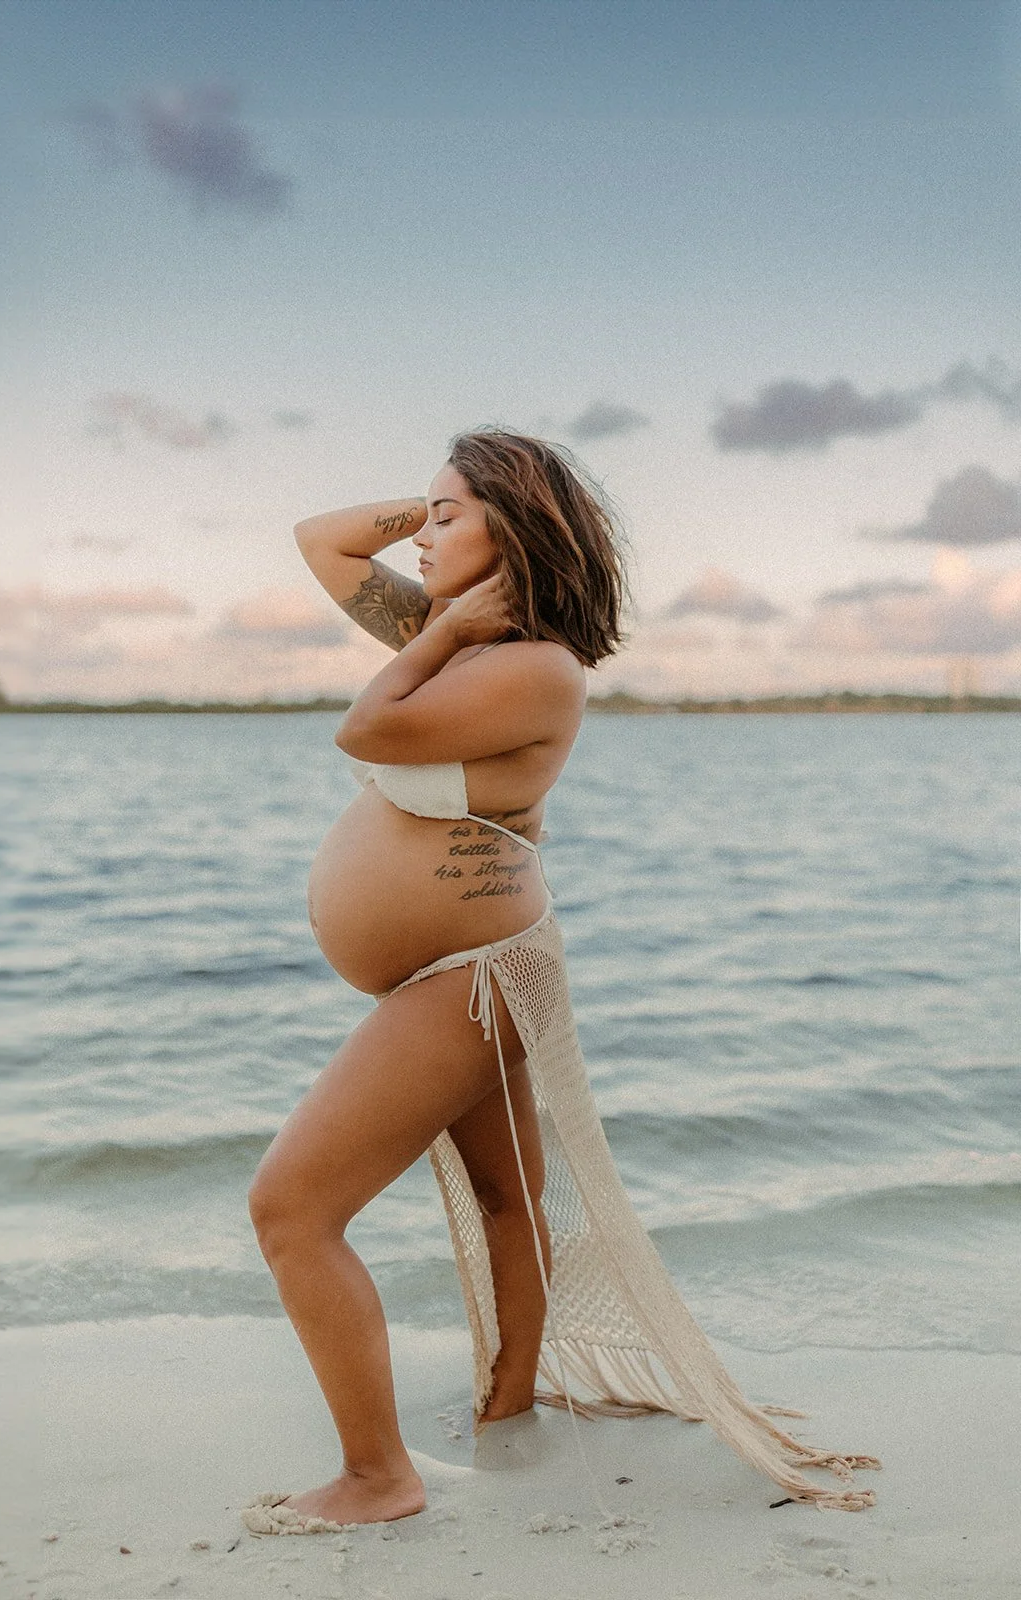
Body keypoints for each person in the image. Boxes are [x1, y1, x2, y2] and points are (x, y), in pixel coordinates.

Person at [245, 428, 880, 1534]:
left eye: (456, 512)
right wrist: (445, 517)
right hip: (462, 968)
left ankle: (377, 1476)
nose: (428, 532)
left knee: (292, 1208)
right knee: (508, 1201)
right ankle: (508, 1406)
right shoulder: (456, 639)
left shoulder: (532, 666)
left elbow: (370, 726)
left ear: (518, 524)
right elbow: (320, 542)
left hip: (471, 975)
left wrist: (451, 604)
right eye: (429, 514)